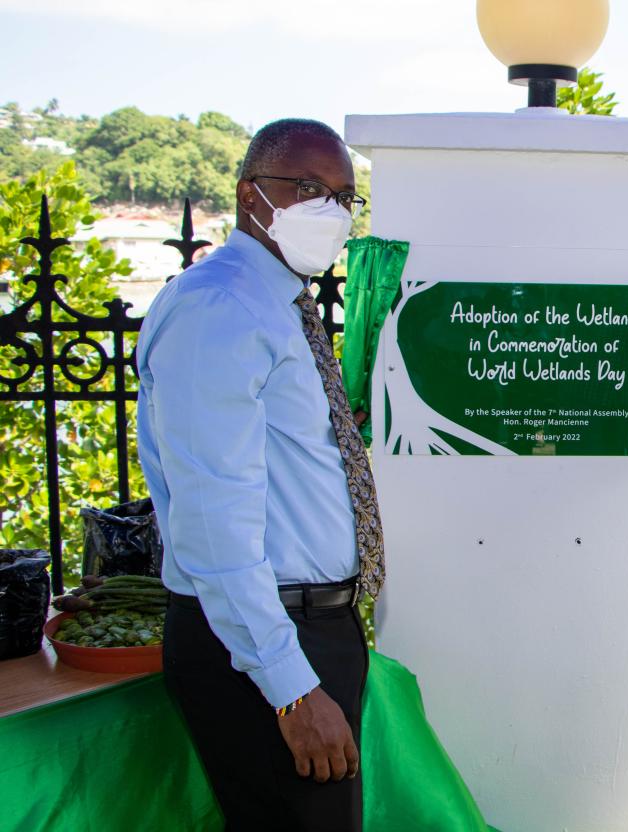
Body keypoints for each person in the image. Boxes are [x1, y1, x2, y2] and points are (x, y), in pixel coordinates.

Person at [137, 118, 383, 831]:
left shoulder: (276, 306)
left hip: (308, 628)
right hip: (265, 643)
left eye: (343, 197)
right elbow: (213, 521)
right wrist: (292, 691)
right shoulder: (221, 308)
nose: (329, 211)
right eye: (306, 188)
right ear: (251, 195)